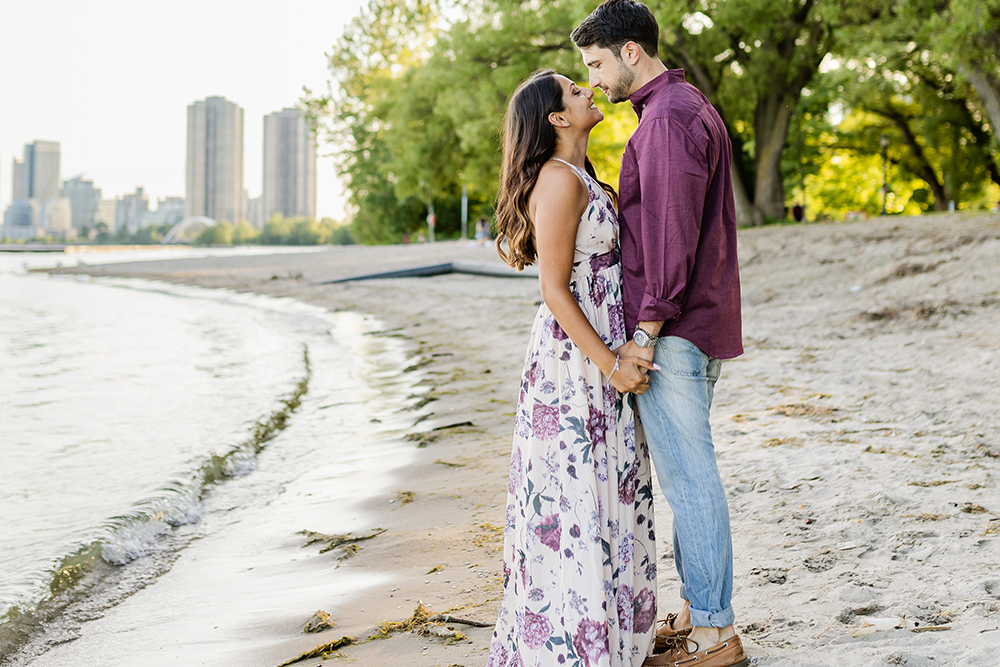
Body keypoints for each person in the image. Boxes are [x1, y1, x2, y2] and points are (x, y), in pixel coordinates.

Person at [571, 2, 746, 667]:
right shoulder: (680, 107)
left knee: (690, 479)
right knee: (685, 475)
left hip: (672, 329)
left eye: (596, 64)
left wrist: (643, 335)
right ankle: (699, 610)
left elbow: (671, 240)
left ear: (630, 52)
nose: (593, 80)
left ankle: (715, 631)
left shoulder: (668, 120)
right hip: (693, 321)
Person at [488, 69, 660, 667]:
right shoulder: (559, 181)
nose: (589, 89)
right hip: (577, 361)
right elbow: (554, 290)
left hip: (598, 349)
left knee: (608, 483)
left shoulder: (580, 174)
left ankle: (614, 638)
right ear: (558, 118)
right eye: (575, 90)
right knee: (581, 489)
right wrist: (611, 365)